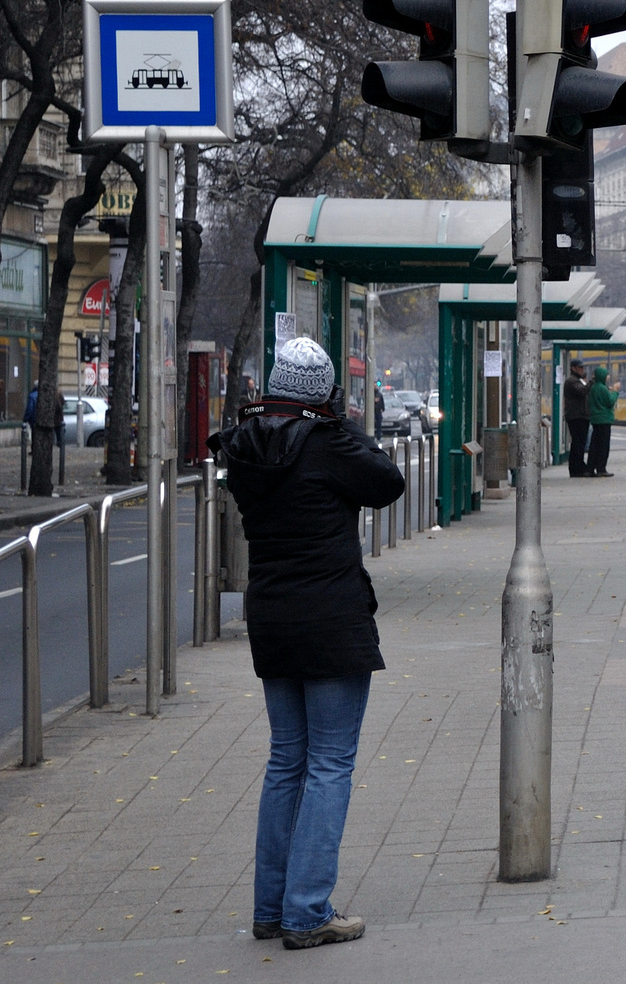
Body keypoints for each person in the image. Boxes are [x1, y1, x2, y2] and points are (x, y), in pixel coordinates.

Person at [208, 337, 405, 951]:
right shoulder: (328, 444)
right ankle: (308, 912)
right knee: (329, 764)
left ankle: (272, 908)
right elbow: (388, 482)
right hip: (331, 620)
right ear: (322, 392)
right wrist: (341, 421)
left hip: (272, 618)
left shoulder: (246, 444)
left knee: (286, 761)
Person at [587, 364, 618, 477]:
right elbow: (610, 402)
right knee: (603, 445)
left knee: (594, 444)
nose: (608, 377)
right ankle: (601, 468)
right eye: (606, 375)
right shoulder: (601, 388)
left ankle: (590, 468)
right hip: (604, 419)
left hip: (596, 419)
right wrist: (615, 391)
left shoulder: (595, 387)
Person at [563, 359, 592, 477]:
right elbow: (582, 391)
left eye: (583, 368)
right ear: (573, 368)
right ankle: (576, 468)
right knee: (578, 443)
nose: (582, 370)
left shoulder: (577, 380)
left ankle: (579, 466)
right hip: (576, 416)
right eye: (580, 368)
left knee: (580, 443)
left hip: (580, 416)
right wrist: (592, 381)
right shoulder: (571, 381)